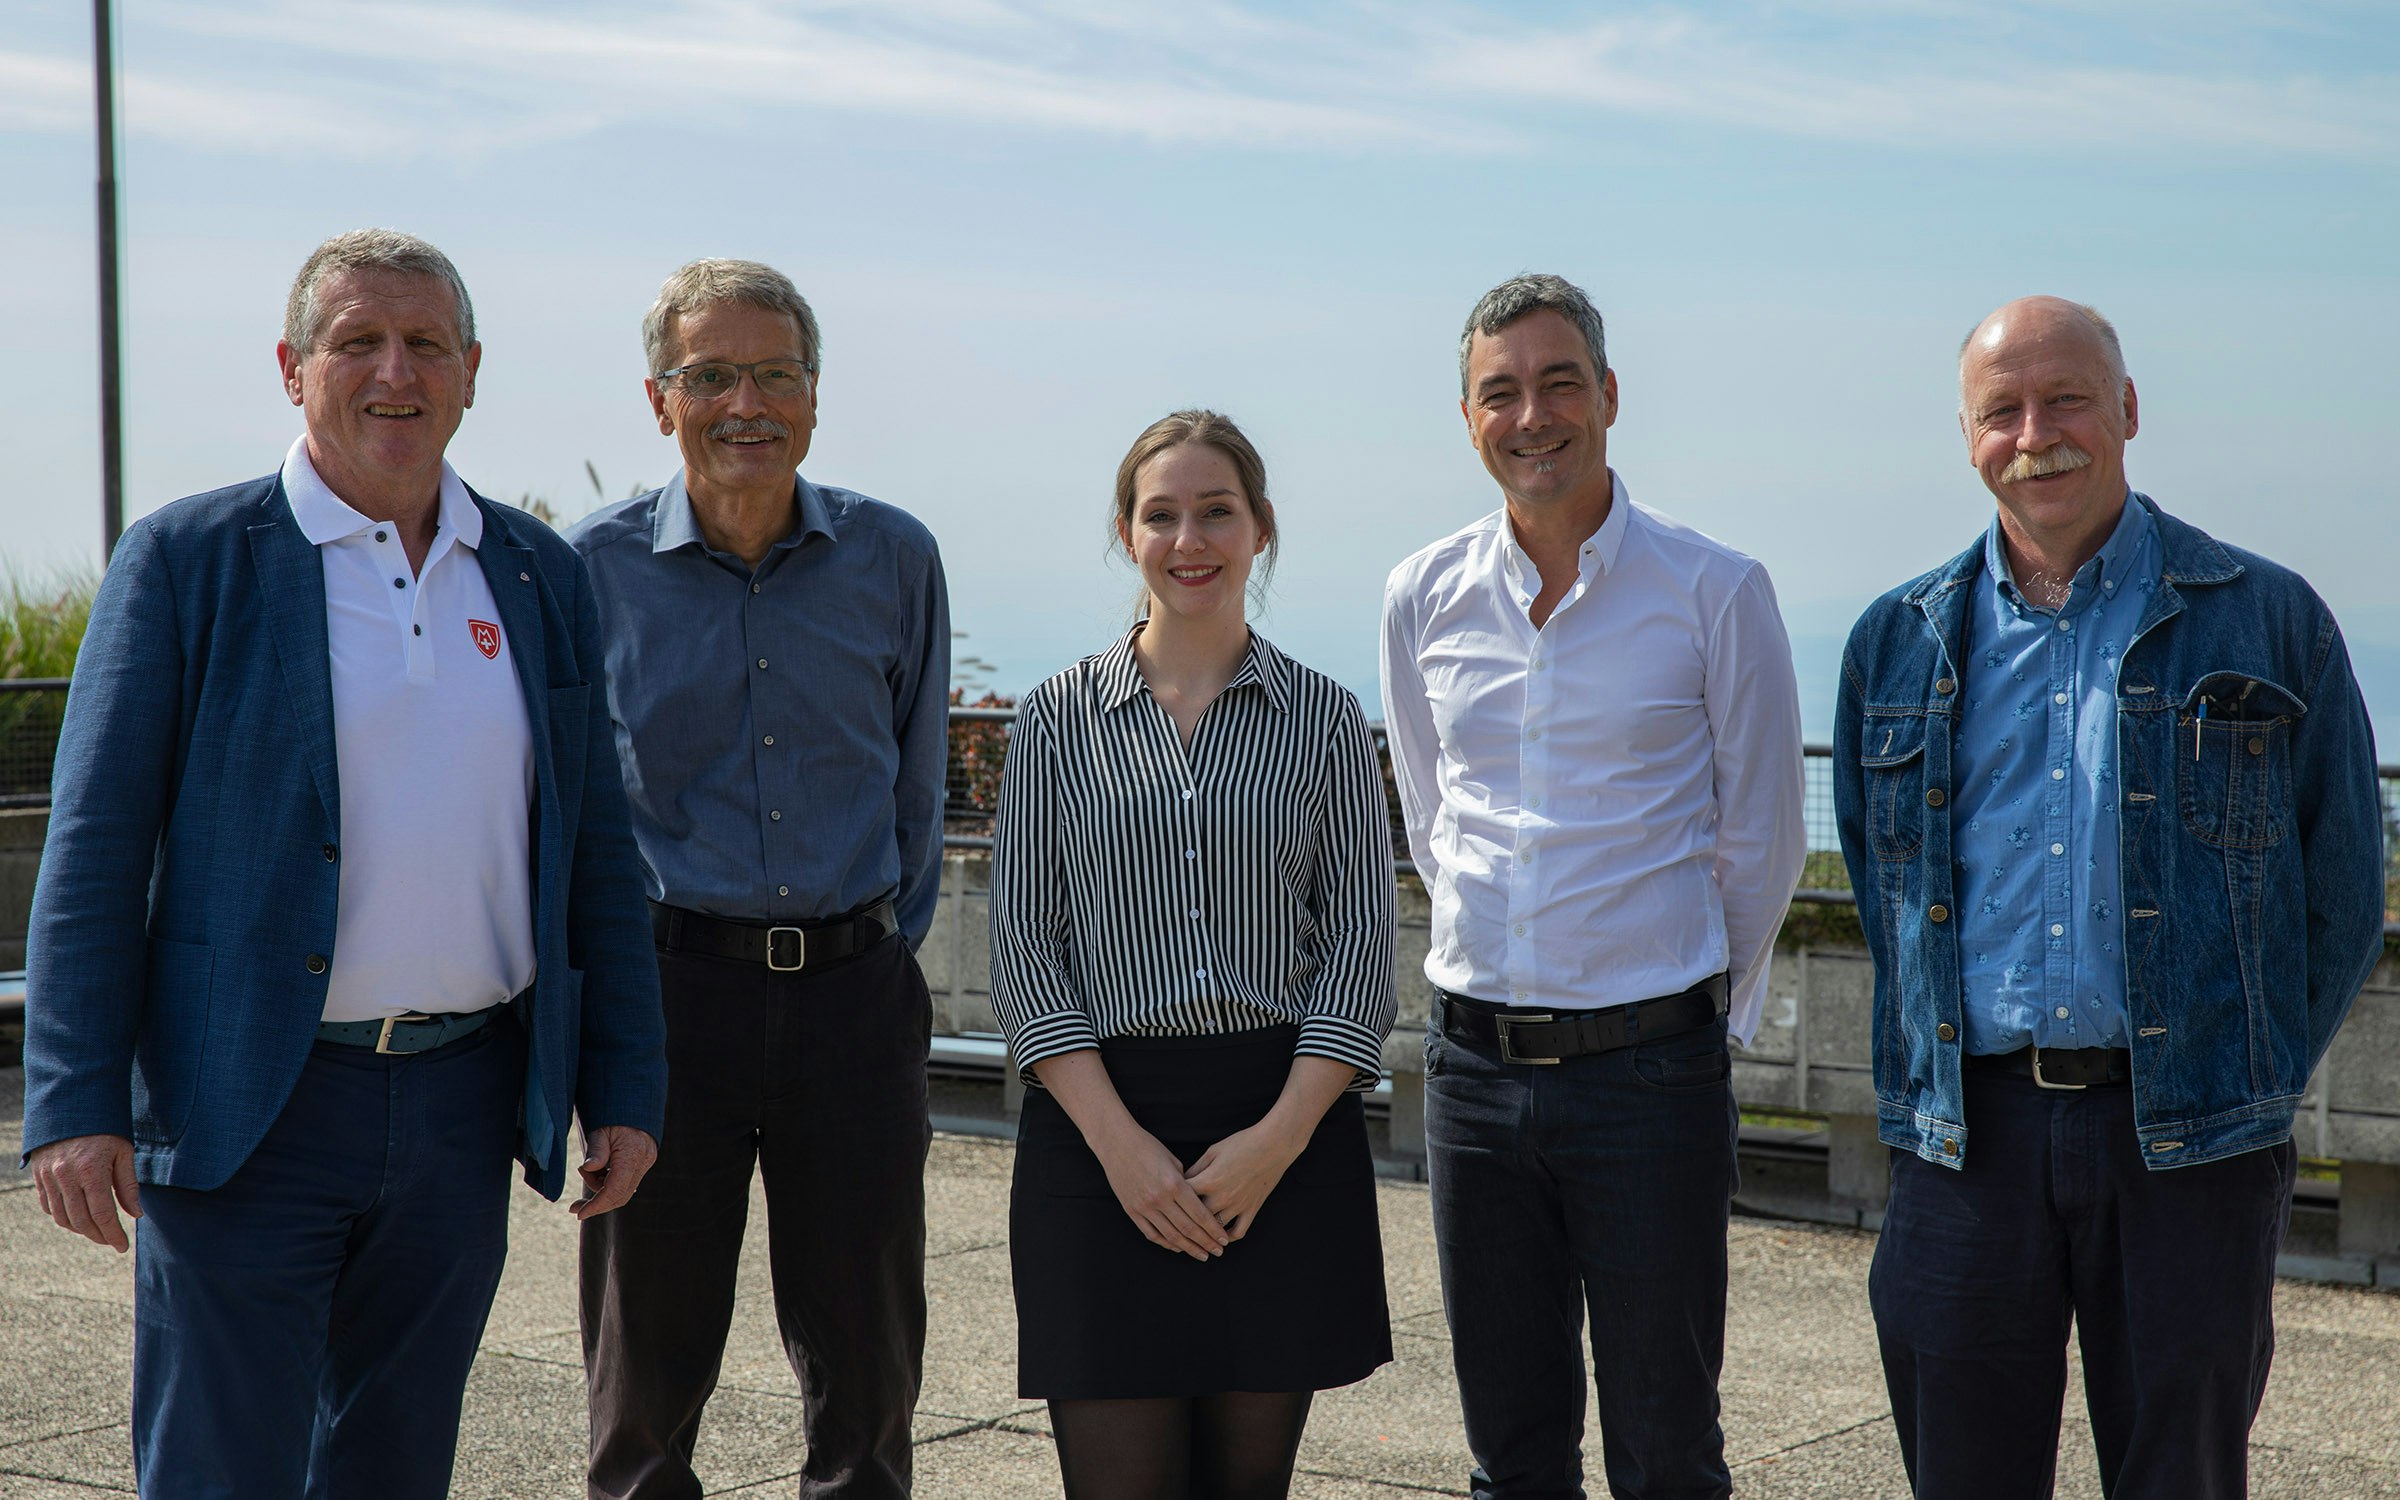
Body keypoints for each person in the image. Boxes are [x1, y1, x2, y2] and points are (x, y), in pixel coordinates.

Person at [19, 228, 667, 1500]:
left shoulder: (535, 573)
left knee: (394, 1465)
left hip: (460, 1105)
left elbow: (594, 848)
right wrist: (74, 1099)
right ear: (291, 367)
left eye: (425, 344)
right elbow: (93, 849)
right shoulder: (190, 561)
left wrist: (626, 1084)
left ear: (471, 370)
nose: (394, 372)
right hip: (250, 1102)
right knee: (221, 1469)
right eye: (357, 341)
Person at [1833, 295, 2385, 1499]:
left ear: (2127, 411)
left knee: (2180, 1473)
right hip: (1968, 1138)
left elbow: (2344, 890)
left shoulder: (2267, 617)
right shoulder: (1898, 641)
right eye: (2004, 411)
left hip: (2187, 1143)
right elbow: (1884, 884)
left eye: (2067, 399)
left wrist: (2246, 1068)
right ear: (1969, 436)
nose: (2038, 434)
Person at [1379, 273, 1806, 1500]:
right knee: (1510, 1454)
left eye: (1560, 382)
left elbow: (1763, 841)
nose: (1533, 415)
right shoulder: (1422, 595)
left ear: (1610, 396)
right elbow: (1433, 815)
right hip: (1472, 1078)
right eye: (1500, 392)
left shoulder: (1714, 589)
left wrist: (1684, 1020)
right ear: (1467, 417)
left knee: (1668, 1451)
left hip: (1648, 1079)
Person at [570, 258, 951, 1500]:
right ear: (658, 397)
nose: (747, 402)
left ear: (815, 395)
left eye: (775, 374)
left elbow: (917, 788)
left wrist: (882, 952)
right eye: (713, 375)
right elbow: (565, 809)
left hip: (853, 1000)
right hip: (668, 1002)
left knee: (868, 1375)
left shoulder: (895, 556)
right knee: (644, 1382)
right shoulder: (588, 572)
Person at [989, 409, 1397, 1500]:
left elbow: (1361, 952)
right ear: (1127, 535)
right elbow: (1027, 956)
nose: (1190, 538)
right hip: (1095, 1137)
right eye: (1160, 514)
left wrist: (1274, 1143)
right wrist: (1123, 1151)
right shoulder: (1055, 720)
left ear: (1260, 528)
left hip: (1284, 1131)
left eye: (1217, 511)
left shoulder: (1325, 719)